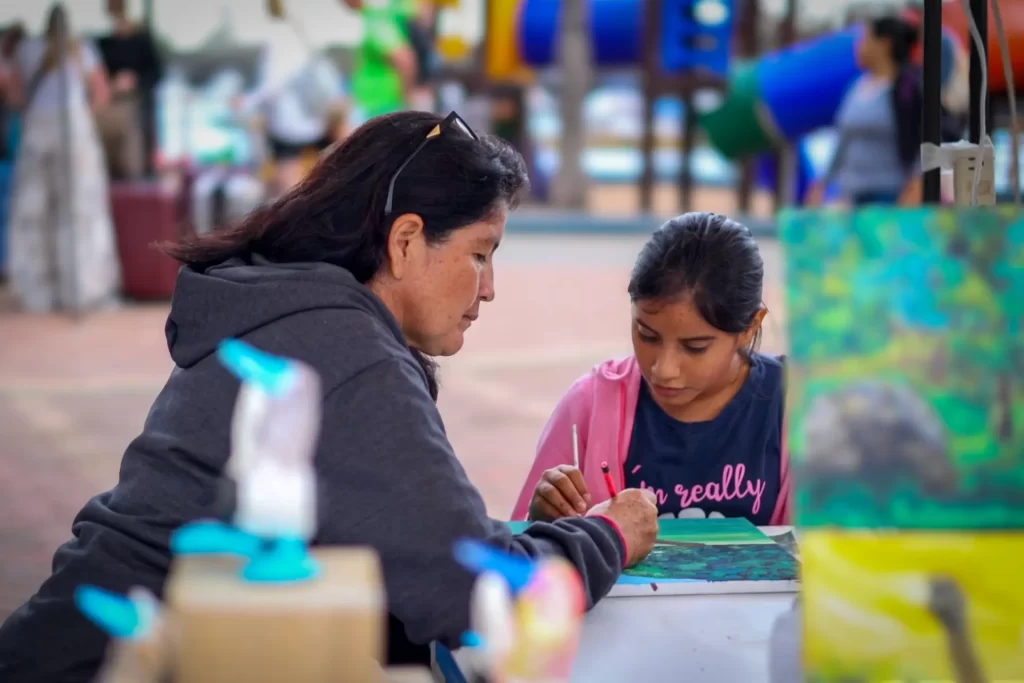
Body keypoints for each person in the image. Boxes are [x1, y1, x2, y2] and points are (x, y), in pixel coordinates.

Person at [0, 110, 660, 682]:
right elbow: (472, 590)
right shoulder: (345, 352)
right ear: (405, 242)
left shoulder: (288, 313)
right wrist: (608, 533)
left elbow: (398, 556)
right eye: (481, 254)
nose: (489, 289)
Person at [513, 212, 791, 525]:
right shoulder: (590, 405)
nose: (663, 369)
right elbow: (522, 558)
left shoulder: (800, 409)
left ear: (750, 327)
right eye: (647, 335)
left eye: (695, 347)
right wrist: (539, 519)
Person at [5, 3, 121, 313]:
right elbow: (101, 93)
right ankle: (83, 290)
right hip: (74, 130)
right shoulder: (81, 47)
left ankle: (38, 293)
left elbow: (15, 96)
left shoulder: (27, 49)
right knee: (81, 211)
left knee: (34, 214)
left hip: (37, 132)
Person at [808, 15, 925, 208]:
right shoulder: (856, 88)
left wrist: (917, 181)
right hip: (852, 194)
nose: (858, 47)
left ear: (884, 44)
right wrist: (822, 183)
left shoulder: (908, 88)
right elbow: (843, 140)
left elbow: (923, 137)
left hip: (893, 195)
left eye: (865, 40)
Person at [237, 0, 345, 195]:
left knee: (290, 193)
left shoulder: (276, 38)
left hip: (289, 126)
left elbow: (272, 86)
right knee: (318, 183)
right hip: (315, 120)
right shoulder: (303, 33)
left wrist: (246, 102)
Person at [95, 0, 164, 180]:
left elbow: (155, 73)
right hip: (111, 103)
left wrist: (134, 81)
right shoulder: (105, 44)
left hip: (135, 103)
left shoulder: (141, 39)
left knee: (132, 154)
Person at [344, 0, 420, 126]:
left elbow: (405, 61)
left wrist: (405, 102)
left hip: (383, 107)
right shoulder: (371, 18)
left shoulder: (377, 22)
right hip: (377, 107)